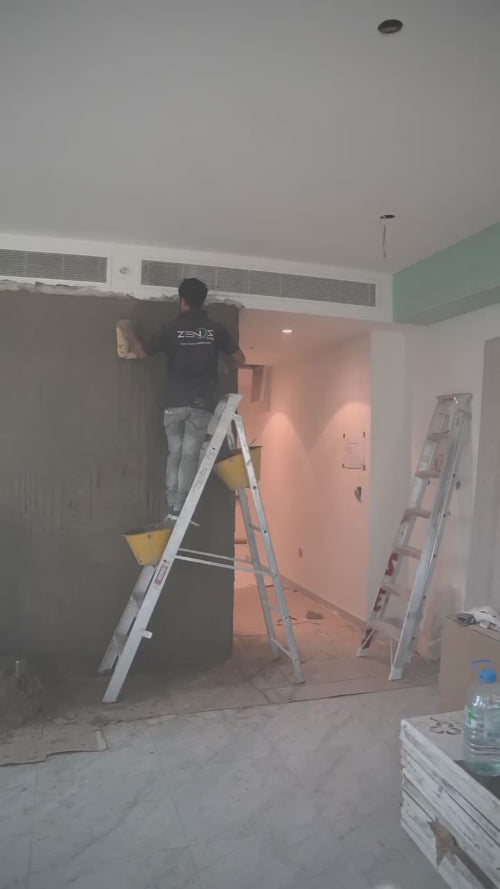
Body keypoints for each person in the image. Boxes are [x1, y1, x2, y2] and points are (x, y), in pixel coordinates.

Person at [118, 278, 245, 523]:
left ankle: (172, 504)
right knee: (189, 454)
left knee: (175, 452)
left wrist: (128, 333)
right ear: (202, 301)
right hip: (201, 404)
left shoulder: (171, 328)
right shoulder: (215, 329)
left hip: (175, 404)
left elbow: (142, 353)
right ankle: (181, 507)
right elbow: (240, 358)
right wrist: (222, 361)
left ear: (182, 300)